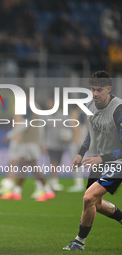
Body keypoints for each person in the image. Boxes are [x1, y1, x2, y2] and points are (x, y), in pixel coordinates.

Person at [63, 71, 122, 251]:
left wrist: (102, 158)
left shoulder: (118, 109)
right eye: (93, 89)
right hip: (98, 162)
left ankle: (79, 241)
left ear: (109, 89)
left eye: (99, 90)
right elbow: (92, 132)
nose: (95, 94)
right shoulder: (91, 105)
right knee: (95, 203)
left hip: (117, 162)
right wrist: (81, 153)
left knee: (88, 198)